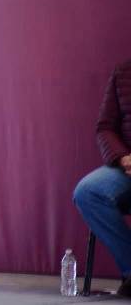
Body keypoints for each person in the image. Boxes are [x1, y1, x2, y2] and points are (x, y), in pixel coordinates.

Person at [74, 59, 131, 297]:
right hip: (127, 168)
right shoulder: (123, 73)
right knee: (87, 192)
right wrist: (123, 158)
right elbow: (105, 127)